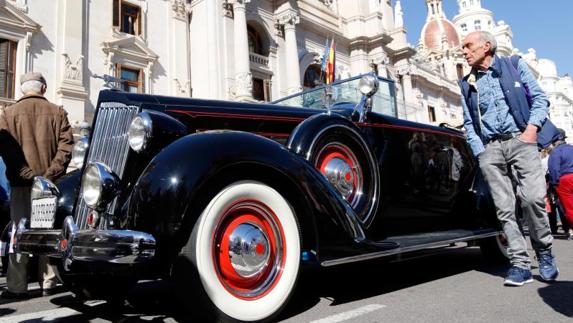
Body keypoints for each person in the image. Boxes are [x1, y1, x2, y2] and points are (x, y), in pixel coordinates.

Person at [459, 31, 559, 286]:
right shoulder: (466, 83)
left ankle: (544, 252)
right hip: (490, 149)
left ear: (487, 46)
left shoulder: (514, 65)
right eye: (463, 48)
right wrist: (480, 150)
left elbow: (540, 99)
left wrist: (530, 131)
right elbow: (469, 122)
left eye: (469, 46)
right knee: (504, 209)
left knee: (533, 199)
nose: (464, 51)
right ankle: (520, 263)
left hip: (521, 140)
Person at [0, 72, 73, 298]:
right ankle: (48, 282)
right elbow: (66, 148)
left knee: (18, 233)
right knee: (47, 233)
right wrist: (48, 176)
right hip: (49, 187)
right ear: (44, 87)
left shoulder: (8, 114)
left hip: (21, 185)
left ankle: (17, 285)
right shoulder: (58, 112)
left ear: (23, 89)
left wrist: (28, 175)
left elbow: (7, 151)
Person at [547, 129, 573, 231]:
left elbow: (554, 169)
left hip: (564, 180)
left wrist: (554, 184)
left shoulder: (556, 152)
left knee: (569, 207)